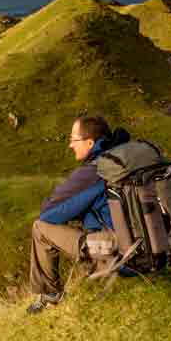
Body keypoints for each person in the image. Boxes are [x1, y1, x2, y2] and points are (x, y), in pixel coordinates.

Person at [26, 115, 127, 314]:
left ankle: (50, 294)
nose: (70, 145)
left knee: (40, 228)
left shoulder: (95, 171)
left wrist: (74, 209)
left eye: (74, 139)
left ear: (90, 143)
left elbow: (48, 213)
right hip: (144, 246)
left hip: (119, 251)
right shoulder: (121, 160)